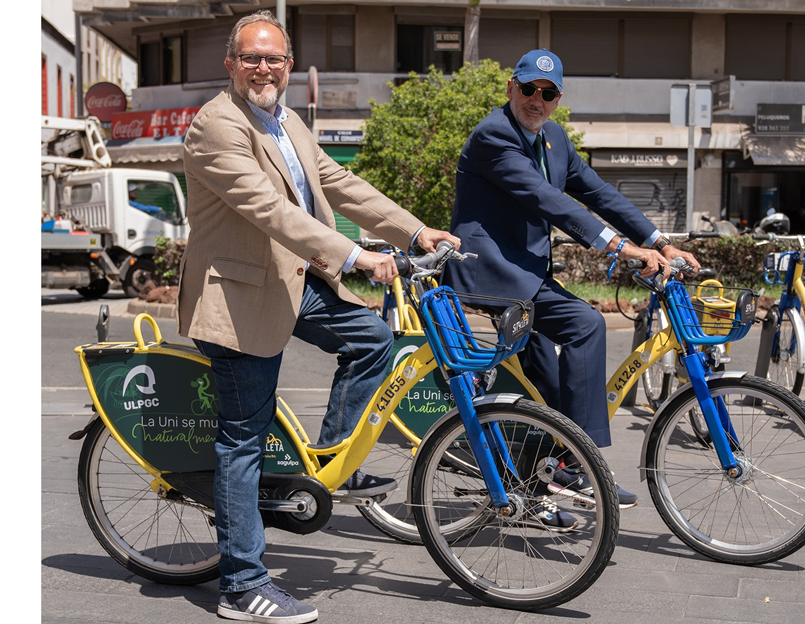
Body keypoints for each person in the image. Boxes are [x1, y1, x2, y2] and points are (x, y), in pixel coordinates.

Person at [176, 11, 460, 624]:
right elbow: (267, 208)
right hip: (239, 293)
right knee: (243, 439)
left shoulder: (288, 122)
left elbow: (342, 185)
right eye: (250, 57)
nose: (263, 67)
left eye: (273, 58)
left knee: (373, 338)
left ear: (288, 64)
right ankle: (241, 584)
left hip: (294, 281)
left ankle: (331, 460)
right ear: (230, 64)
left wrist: (414, 231)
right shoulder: (215, 126)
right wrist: (355, 255)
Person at [441, 49, 700, 511]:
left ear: (558, 99)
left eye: (548, 93)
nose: (536, 100)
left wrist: (660, 242)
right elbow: (548, 201)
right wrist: (620, 248)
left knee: (552, 389)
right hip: (492, 275)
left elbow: (599, 193)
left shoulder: (555, 139)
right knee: (586, 324)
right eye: (527, 89)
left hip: (526, 276)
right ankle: (580, 466)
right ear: (510, 89)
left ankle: (540, 478)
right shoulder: (494, 136)